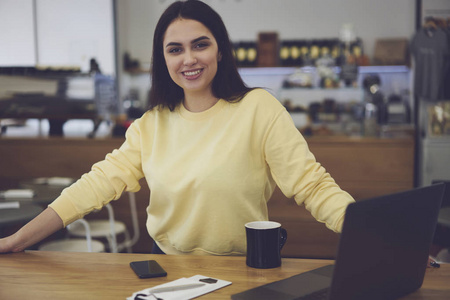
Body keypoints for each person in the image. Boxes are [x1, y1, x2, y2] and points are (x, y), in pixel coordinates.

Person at [0, 0, 354, 256]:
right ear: (163, 59)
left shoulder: (259, 108)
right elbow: (94, 186)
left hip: (244, 268)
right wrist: (19, 240)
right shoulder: (150, 125)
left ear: (220, 51)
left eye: (200, 44)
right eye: (175, 49)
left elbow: (311, 184)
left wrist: (370, 234)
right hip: (165, 269)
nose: (189, 59)